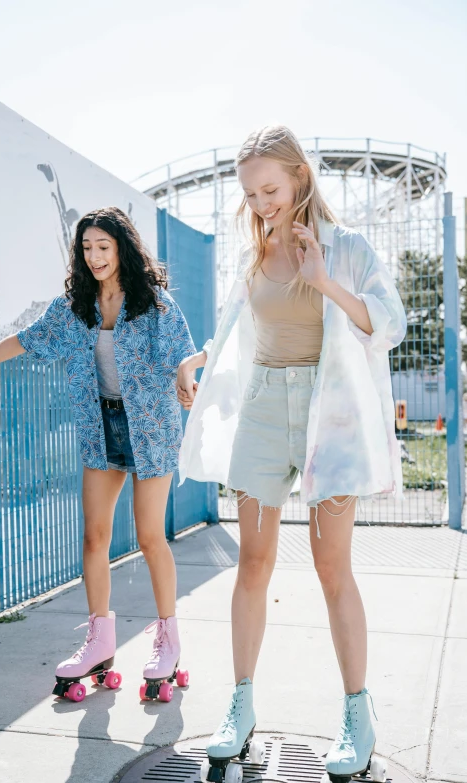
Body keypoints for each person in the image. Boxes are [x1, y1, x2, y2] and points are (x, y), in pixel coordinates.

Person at [176, 126, 406, 783]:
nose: (261, 202)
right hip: (263, 408)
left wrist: (325, 282)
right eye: (250, 193)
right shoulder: (254, 252)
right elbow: (243, 331)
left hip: (326, 413)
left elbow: (388, 324)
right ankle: (240, 707)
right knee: (253, 560)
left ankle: (358, 716)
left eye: (271, 189)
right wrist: (200, 358)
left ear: (300, 177)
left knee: (333, 567)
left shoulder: (349, 248)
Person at [0, 206, 195, 703]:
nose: (95, 256)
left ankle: (168, 636)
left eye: (103, 246)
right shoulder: (74, 306)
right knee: (94, 536)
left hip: (151, 427)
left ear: (122, 246)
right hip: (99, 427)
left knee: (149, 536)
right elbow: (24, 340)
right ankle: (100, 638)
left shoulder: (153, 304)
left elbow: (182, 354)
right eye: (87, 248)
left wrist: (188, 376)